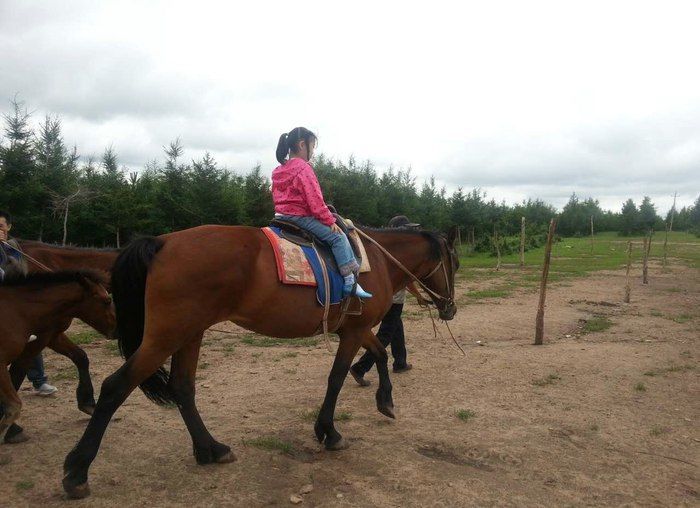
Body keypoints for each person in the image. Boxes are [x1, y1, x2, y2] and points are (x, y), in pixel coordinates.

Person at [272, 127, 371, 298]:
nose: (313, 151)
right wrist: (329, 221)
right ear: (302, 145)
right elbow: (315, 202)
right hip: (300, 218)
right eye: (312, 146)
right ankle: (349, 282)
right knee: (338, 237)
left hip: (280, 217)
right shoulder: (303, 168)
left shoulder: (279, 170)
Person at [349, 215, 426, 386]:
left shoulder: (386, 249)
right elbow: (408, 280)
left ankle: (400, 362)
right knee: (386, 334)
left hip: (391, 297)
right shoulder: (398, 252)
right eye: (407, 228)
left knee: (397, 329)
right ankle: (360, 367)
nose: (410, 231)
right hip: (393, 299)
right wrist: (419, 296)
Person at [0, 210, 58, 396]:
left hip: (13, 302)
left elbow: (18, 272)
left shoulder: (13, 247)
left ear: (8, 226)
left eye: (0, 226)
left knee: (31, 335)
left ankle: (39, 380)